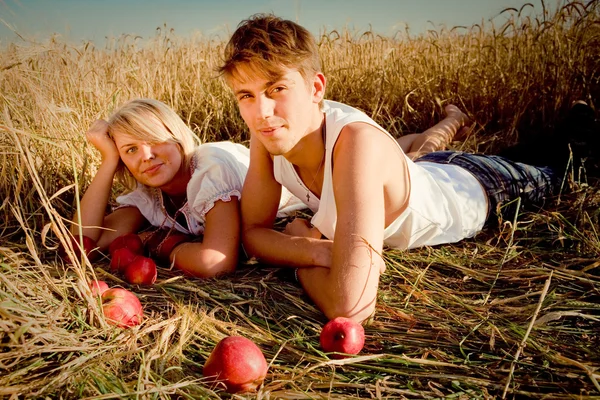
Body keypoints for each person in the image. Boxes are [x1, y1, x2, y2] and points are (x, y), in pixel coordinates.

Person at [217, 14, 573, 323]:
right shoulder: (266, 134)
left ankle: (576, 123)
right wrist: (313, 250)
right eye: (245, 95)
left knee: (565, 163)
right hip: (429, 168)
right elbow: (252, 233)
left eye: (276, 88)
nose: (261, 111)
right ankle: (463, 125)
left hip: (479, 186)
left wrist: (293, 259)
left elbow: (351, 307)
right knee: (448, 148)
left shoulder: (355, 142)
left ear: (315, 88)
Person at [70, 98, 305, 278]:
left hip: (299, 204)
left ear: (176, 135)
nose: (147, 156)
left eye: (154, 139)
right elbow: (81, 246)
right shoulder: (149, 193)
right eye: (131, 150)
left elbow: (215, 263)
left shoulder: (210, 170)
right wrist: (109, 160)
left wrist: (160, 244)